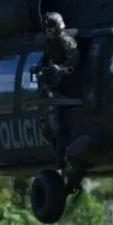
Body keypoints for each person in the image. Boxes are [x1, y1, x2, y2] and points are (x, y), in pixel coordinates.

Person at [35, 12, 79, 164]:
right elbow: (46, 58)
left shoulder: (67, 41)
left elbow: (74, 60)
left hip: (67, 85)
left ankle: (61, 156)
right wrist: (38, 67)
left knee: (56, 122)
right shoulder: (50, 42)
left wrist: (61, 70)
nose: (49, 32)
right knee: (46, 122)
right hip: (52, 84)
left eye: (51, 29)